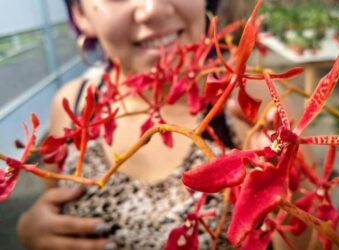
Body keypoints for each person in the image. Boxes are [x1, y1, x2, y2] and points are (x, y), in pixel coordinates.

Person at [17, 0, 240, 249]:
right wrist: (31, 231)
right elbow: (52, 200)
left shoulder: (247, 101)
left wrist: (289, 188)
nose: (152, 8)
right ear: (80, 14)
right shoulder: (71, 105)